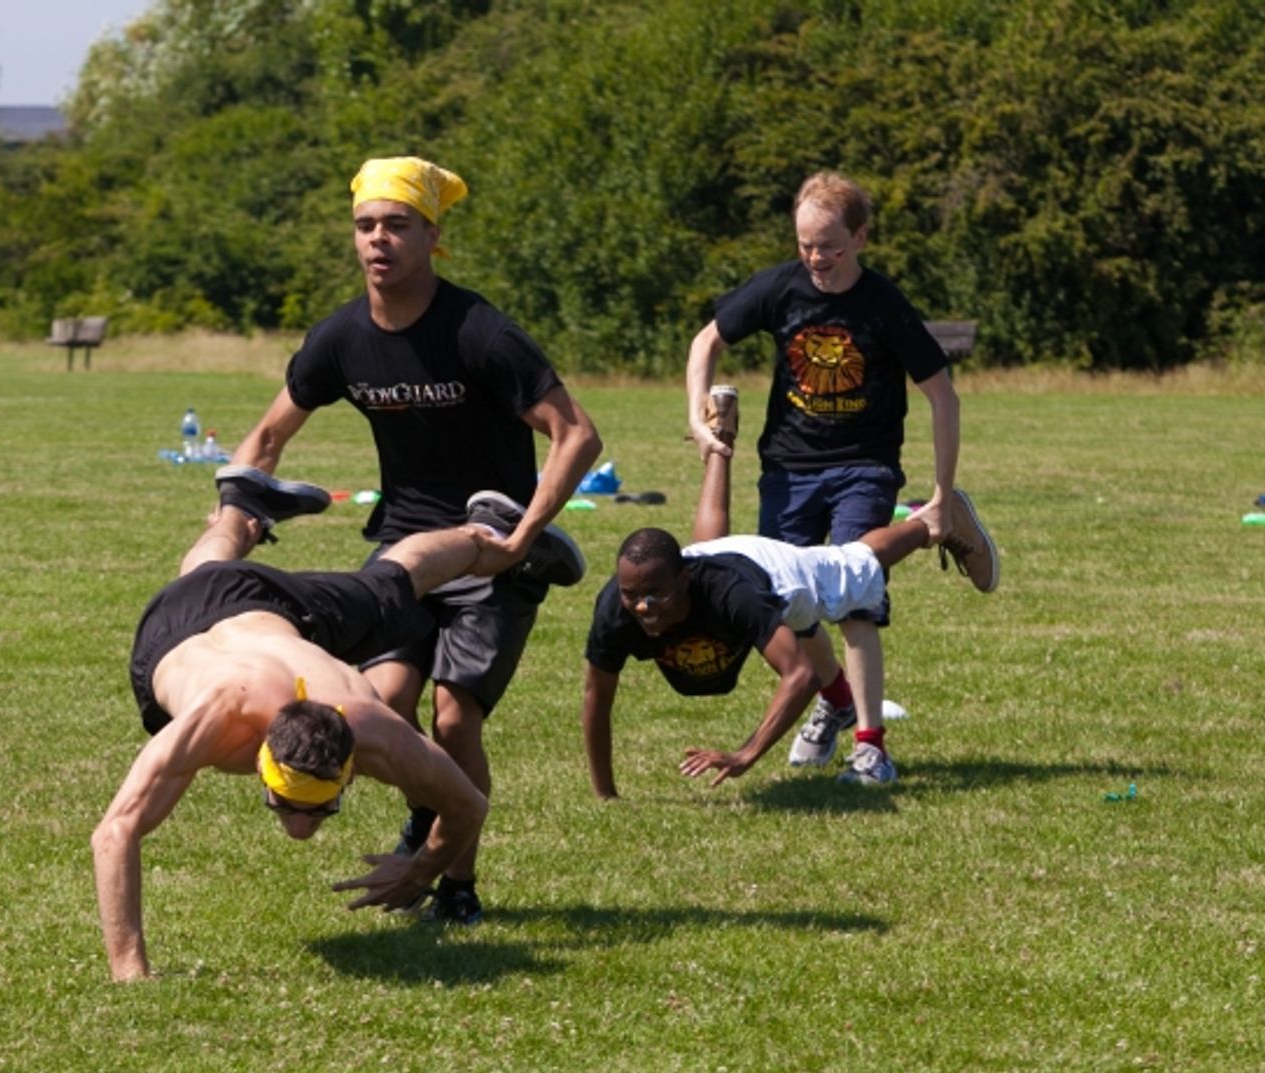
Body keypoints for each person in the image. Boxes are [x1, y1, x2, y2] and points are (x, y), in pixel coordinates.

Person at [225, 156, 601, 922]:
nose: (378, 239)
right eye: (366, 225)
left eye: (397, 225)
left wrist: (522, 537)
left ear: (432, 235)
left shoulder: (479, 331)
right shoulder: (341, 338)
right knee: (378, 704)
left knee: (455, 717)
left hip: (492, 542)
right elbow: (266, 435)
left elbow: (577, 434)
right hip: (403, 542)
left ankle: (456, 884)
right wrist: (232, 518)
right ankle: (428, 808)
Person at [93, 467, 546, 981]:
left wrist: (419, 872)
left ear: (351, 766)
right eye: (285, 804)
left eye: (321, 809)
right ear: (262, 759)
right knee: (202, 575)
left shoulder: (372, 726)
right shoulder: (216, 717)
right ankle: (243, 505)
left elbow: (469, 806)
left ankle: (488, 533)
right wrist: (130, 972)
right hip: (180, 626)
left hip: (270, 606)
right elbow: (115, 831)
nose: (300, 830)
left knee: (390, 584)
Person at [685, 169, 989, 786]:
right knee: (789, 603)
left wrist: (938, 492)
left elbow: (943, 397)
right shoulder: (780, 288)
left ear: (861, 237)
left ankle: (871, 747)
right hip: (788, 470)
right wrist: (697, 415)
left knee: (854, 598)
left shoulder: (884, 304)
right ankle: (835, 699)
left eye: (829, 246)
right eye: (806, 246)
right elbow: (706, 341)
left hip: (864, 467)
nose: (816, 259)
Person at [580, 418, 997, 796]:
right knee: (707, 546)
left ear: (682, 581)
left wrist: (746, 755)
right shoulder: (617, 609)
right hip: (712, 563)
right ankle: (722, 444)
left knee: (852, 563)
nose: (644, 607)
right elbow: (596, 700)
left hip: (770, 569)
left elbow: (799, 675)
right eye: (632, 595)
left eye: (656, 595)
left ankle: (934, 522)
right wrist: (606, 796)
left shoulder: (736, 594)